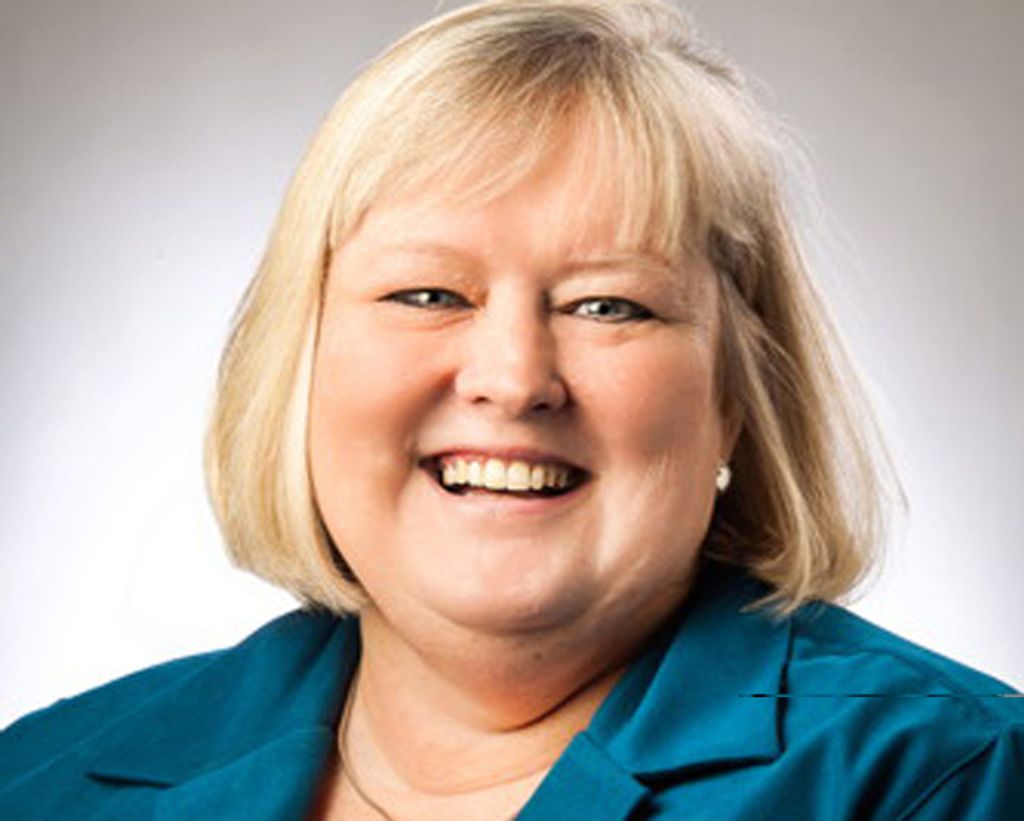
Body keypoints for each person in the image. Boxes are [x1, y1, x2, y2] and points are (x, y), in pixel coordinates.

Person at [2, 0, 1022, 818]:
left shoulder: (943, 777)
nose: (513, 377)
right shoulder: (39, 779)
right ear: (298, 361)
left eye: (608, 305)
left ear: (735, 395)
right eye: (427, 294)